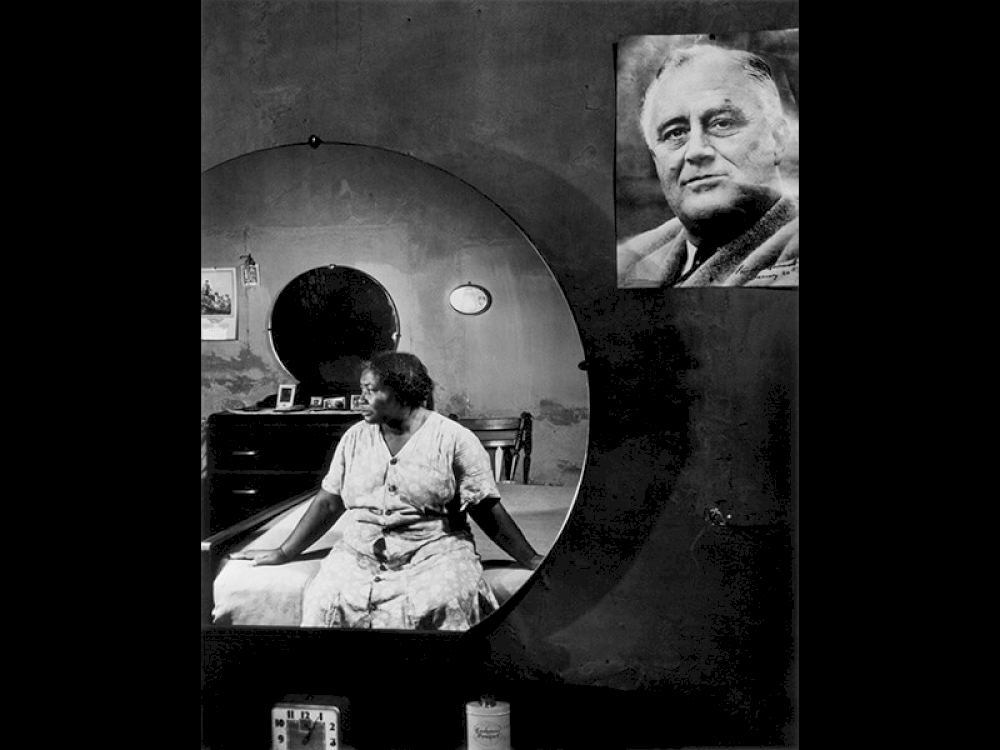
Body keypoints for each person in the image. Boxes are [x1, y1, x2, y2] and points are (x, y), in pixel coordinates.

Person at [229, 351, 544, 631]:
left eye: (370, 390)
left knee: (448, 599)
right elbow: (328, 503)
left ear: (401, 393)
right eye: (361, 389)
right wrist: (284, 552)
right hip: (360, 551)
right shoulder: (355, 437)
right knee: (326, 598)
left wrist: (530, 558)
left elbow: (485, 507)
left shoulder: (453, 440)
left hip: (435, 549)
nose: (360, 398)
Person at [617, 43, 798, 288]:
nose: (696, 151)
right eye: (675, 133)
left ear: (777, 139)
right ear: (656, 158)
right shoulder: (627, 261)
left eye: (722, 124)